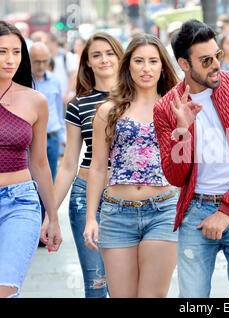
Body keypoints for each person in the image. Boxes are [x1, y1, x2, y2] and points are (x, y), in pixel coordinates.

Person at [153, 19, 229, 298]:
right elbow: (175, 177)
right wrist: (182, 131)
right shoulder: (166, 108)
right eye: (205, 60)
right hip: (195, 211)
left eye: (217, 55)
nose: (216, 64)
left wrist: (226, 211)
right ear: (184, 64)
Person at [83, 33, 180, 298]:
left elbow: (189, 162)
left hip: (163, 210)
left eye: (153, 61)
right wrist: (91, 218)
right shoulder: (109, 110)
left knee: (151, 296)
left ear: (162, 66)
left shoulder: (177, 107)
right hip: (116, 213)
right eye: (138, 61)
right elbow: (99, 167)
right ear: (128, 66)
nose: (146, 68)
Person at [51, 32, 124, 298]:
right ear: (88, 64)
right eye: (96, 55)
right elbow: (69, 164)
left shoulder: (140, 97)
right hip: (85, 197)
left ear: (120, 57)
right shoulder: (78, 105)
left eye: (109, 53)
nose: (104, 59)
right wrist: (50, 214)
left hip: (128, 199)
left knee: (126, 285)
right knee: (96, 285)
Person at [0, 20, 62, 298]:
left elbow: (39, 163)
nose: (10, 59)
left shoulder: (35, 100)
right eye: (2, 51)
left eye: (16, 52)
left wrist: (52, 216)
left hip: (20, 203)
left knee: (6, 289)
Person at [30, 42, 64, 181]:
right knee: (32, 181)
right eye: (37, 62)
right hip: (30, 140)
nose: (41, 66)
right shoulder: (22, 81)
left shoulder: (55, 81)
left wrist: (62, 135)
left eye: (45, 61)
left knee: (50, 180)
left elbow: (58, 108)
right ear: (30, 60)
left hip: (52, 137)